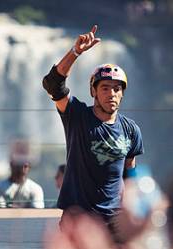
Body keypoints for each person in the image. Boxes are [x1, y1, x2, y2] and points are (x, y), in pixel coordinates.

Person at [41, 25, 144, 233]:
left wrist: (133, 209)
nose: (111, 94)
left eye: (117, 89)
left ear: (122, 94)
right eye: (105, 88)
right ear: (93, 91)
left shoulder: (131, 130)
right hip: (78, 218)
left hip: (114, 221)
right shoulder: (77, 116)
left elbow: (130, 172)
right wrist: (75, 52)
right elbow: (53, 84)